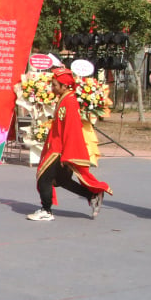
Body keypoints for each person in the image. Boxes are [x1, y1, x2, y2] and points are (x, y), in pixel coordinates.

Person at [27, 68, 111, 221]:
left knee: (43, 177)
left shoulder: (70, 102)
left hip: (59, 150)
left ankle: (46, 210)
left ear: (64, 86)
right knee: (62, 180)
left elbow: (72, 130)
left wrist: (68, 153)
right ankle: (92, 195)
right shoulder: (64, 99)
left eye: (55, 85)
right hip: (55, 146)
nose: (52, 88)